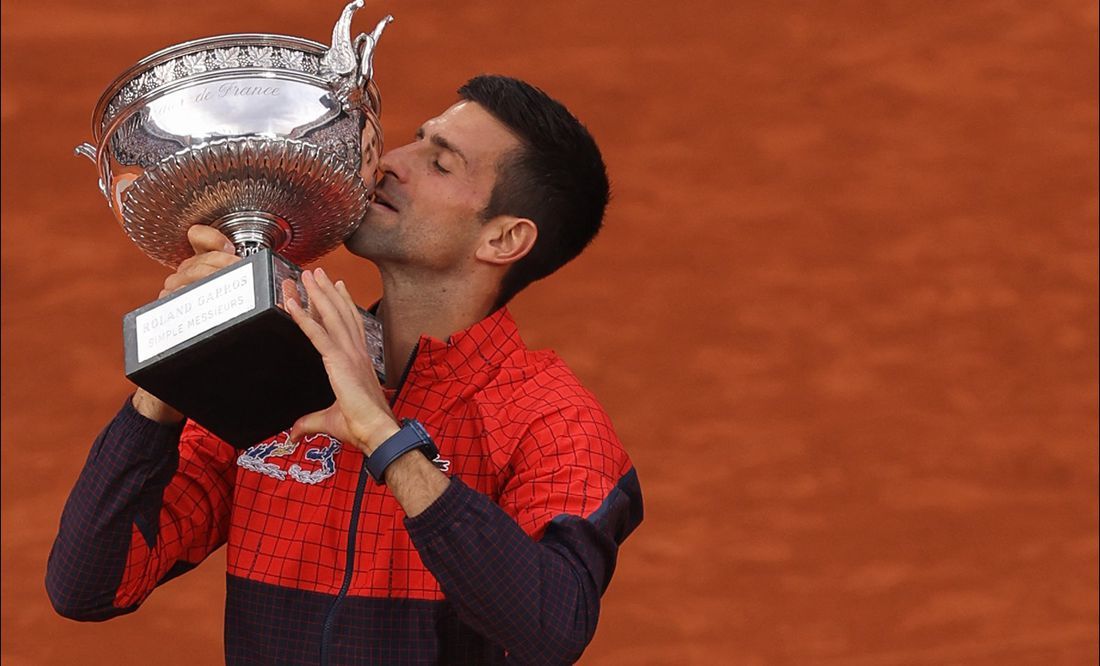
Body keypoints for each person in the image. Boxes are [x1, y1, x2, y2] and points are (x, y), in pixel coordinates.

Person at [46, 74, 643, 665]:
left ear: (504, 238)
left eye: (440, 164)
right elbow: (89, 586)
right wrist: (177, 370)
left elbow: (551, 629)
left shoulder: (554, 421)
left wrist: (385, 440)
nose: (388, 161)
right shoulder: (282, 363)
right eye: (415, 139)